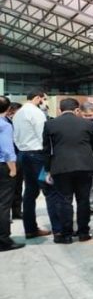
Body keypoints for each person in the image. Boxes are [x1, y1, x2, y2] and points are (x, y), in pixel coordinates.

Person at [42, 98, 93, 243]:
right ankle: (83, 233)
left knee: (64, 201)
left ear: (60, 110)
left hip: (61, 168)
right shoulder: (87, 123)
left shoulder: (50, 124)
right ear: (77, 110)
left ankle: (66, 235)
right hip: (85, 167)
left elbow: (47, 150)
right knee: (83, 200)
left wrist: (48, 170)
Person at [12, 91, 54, 239]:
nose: (44, 102)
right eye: (43, 99)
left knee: (29, 192)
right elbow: (43, 135)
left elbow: (15, 137)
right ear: (37, 98)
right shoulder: (36, 113)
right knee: (49, 190)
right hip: (38, 157)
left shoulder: (18, 114)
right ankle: (59, 228)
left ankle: (30, 229)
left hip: (23, 155)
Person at [0, 96, 24, 251]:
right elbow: (8, 150)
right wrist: (13, 169)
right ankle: (3, 240)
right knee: (3, 205)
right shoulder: (5, 125)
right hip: (3, 166)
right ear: (8, 109)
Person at [6, 102, 23, 220]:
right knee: (8, 189)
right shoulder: (5, 123)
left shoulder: (13, 122)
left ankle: (17, 211)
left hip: (17, 157)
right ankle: (6, 215)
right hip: (9, 160)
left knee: (17, 186)